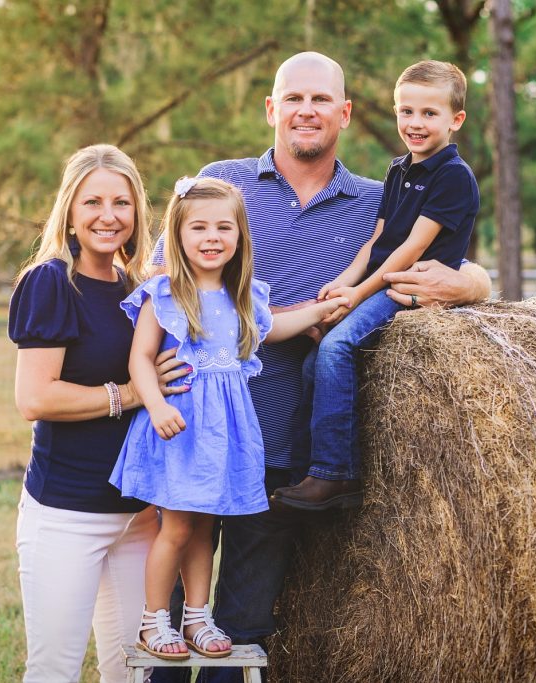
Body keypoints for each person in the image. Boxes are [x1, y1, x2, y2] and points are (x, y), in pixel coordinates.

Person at [151, 52, 491, 683]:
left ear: (346, 113)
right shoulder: (221, 185)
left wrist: (473, 284)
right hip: (193, 436)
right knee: (169, 623)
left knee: (241, 634)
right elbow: (158, 279)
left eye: (320, 100)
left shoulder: (377, 199)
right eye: (293, 98)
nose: (306, 110)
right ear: (271, 109)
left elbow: (448, 260)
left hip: (282, 452)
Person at [110, 177, 348, 661]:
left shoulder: (244, 297)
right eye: (198, 227)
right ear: (177, 235)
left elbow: (274, 328)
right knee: (174, 528)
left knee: (203, 528)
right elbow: (140, 359)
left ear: (240, 236)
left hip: (224, 434)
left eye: (224, 227)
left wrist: (322, 310)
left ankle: (197, 616)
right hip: (180, 426)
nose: (212, 237)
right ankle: (154, 620)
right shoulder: (167, 293)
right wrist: (155, 405)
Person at [9, 143, 190, 683]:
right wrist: (131, 394)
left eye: (122, 203)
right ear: (69, 210)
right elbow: (35, 399)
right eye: (93, 202)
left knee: (133, 672)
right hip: (67, 514)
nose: (108, 216)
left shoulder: (141, 290)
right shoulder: (50, 282)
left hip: (138, 518)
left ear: (138, 213)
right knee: (55, 670)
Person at [273, 59, 479, 511]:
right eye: (406, 112)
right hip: (380, 282)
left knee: (336, 347)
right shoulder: (399, 169)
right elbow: (378, 239)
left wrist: (360, 294)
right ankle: (307, 468)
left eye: (429, 113)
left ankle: (335, 475)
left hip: (407, 291)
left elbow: (409, 250)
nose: (415, 123)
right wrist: (342, 284)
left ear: (455, 120)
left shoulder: (453, 176)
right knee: (313, 362)